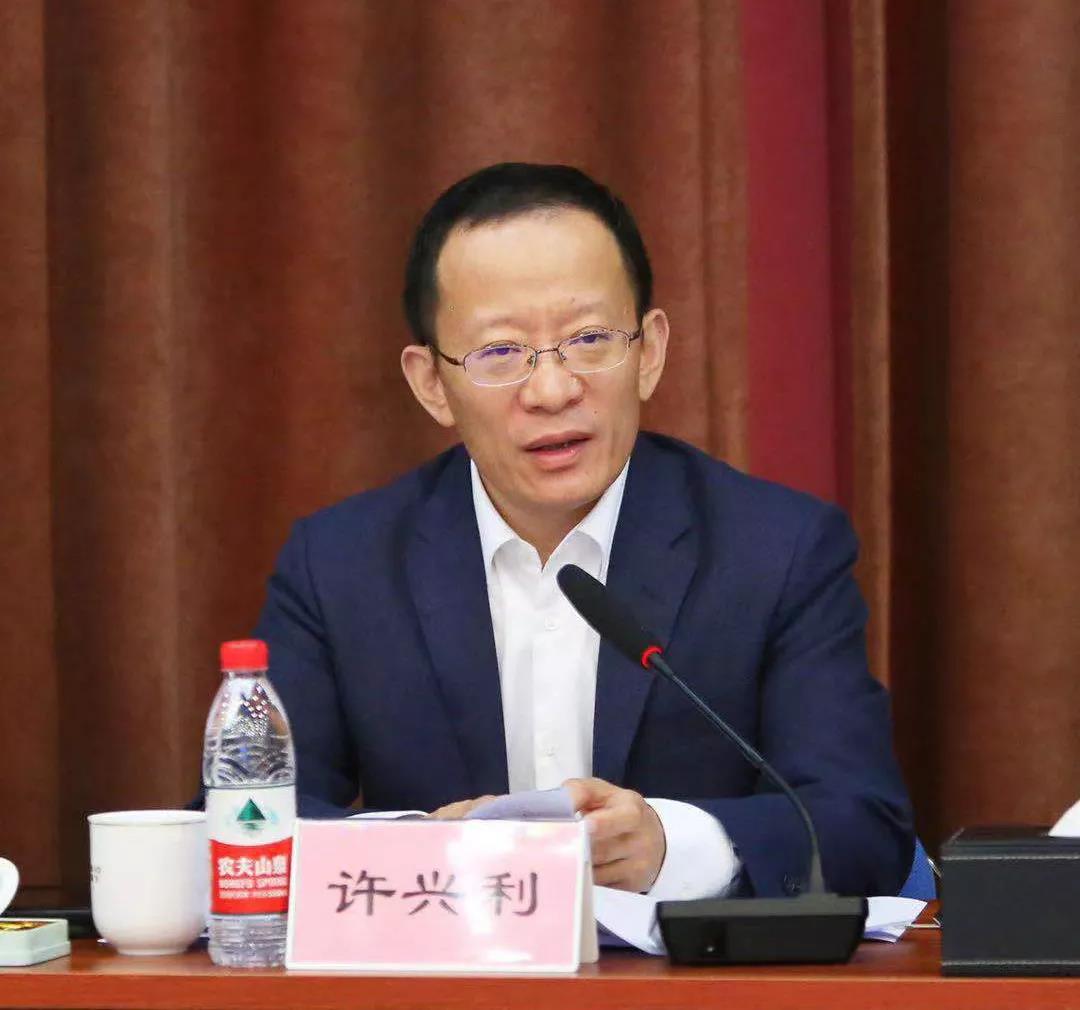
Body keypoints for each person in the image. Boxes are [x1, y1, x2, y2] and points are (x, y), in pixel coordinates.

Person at [255, 162, 914, 900]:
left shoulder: (777, 551)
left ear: (649, 352)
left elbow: (862, 826)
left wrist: (672, 846)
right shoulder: (340, 567)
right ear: (431, 384)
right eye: (500, 353)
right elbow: (245, 826)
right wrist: (424, 852)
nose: (552, 389)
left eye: (590, 339)